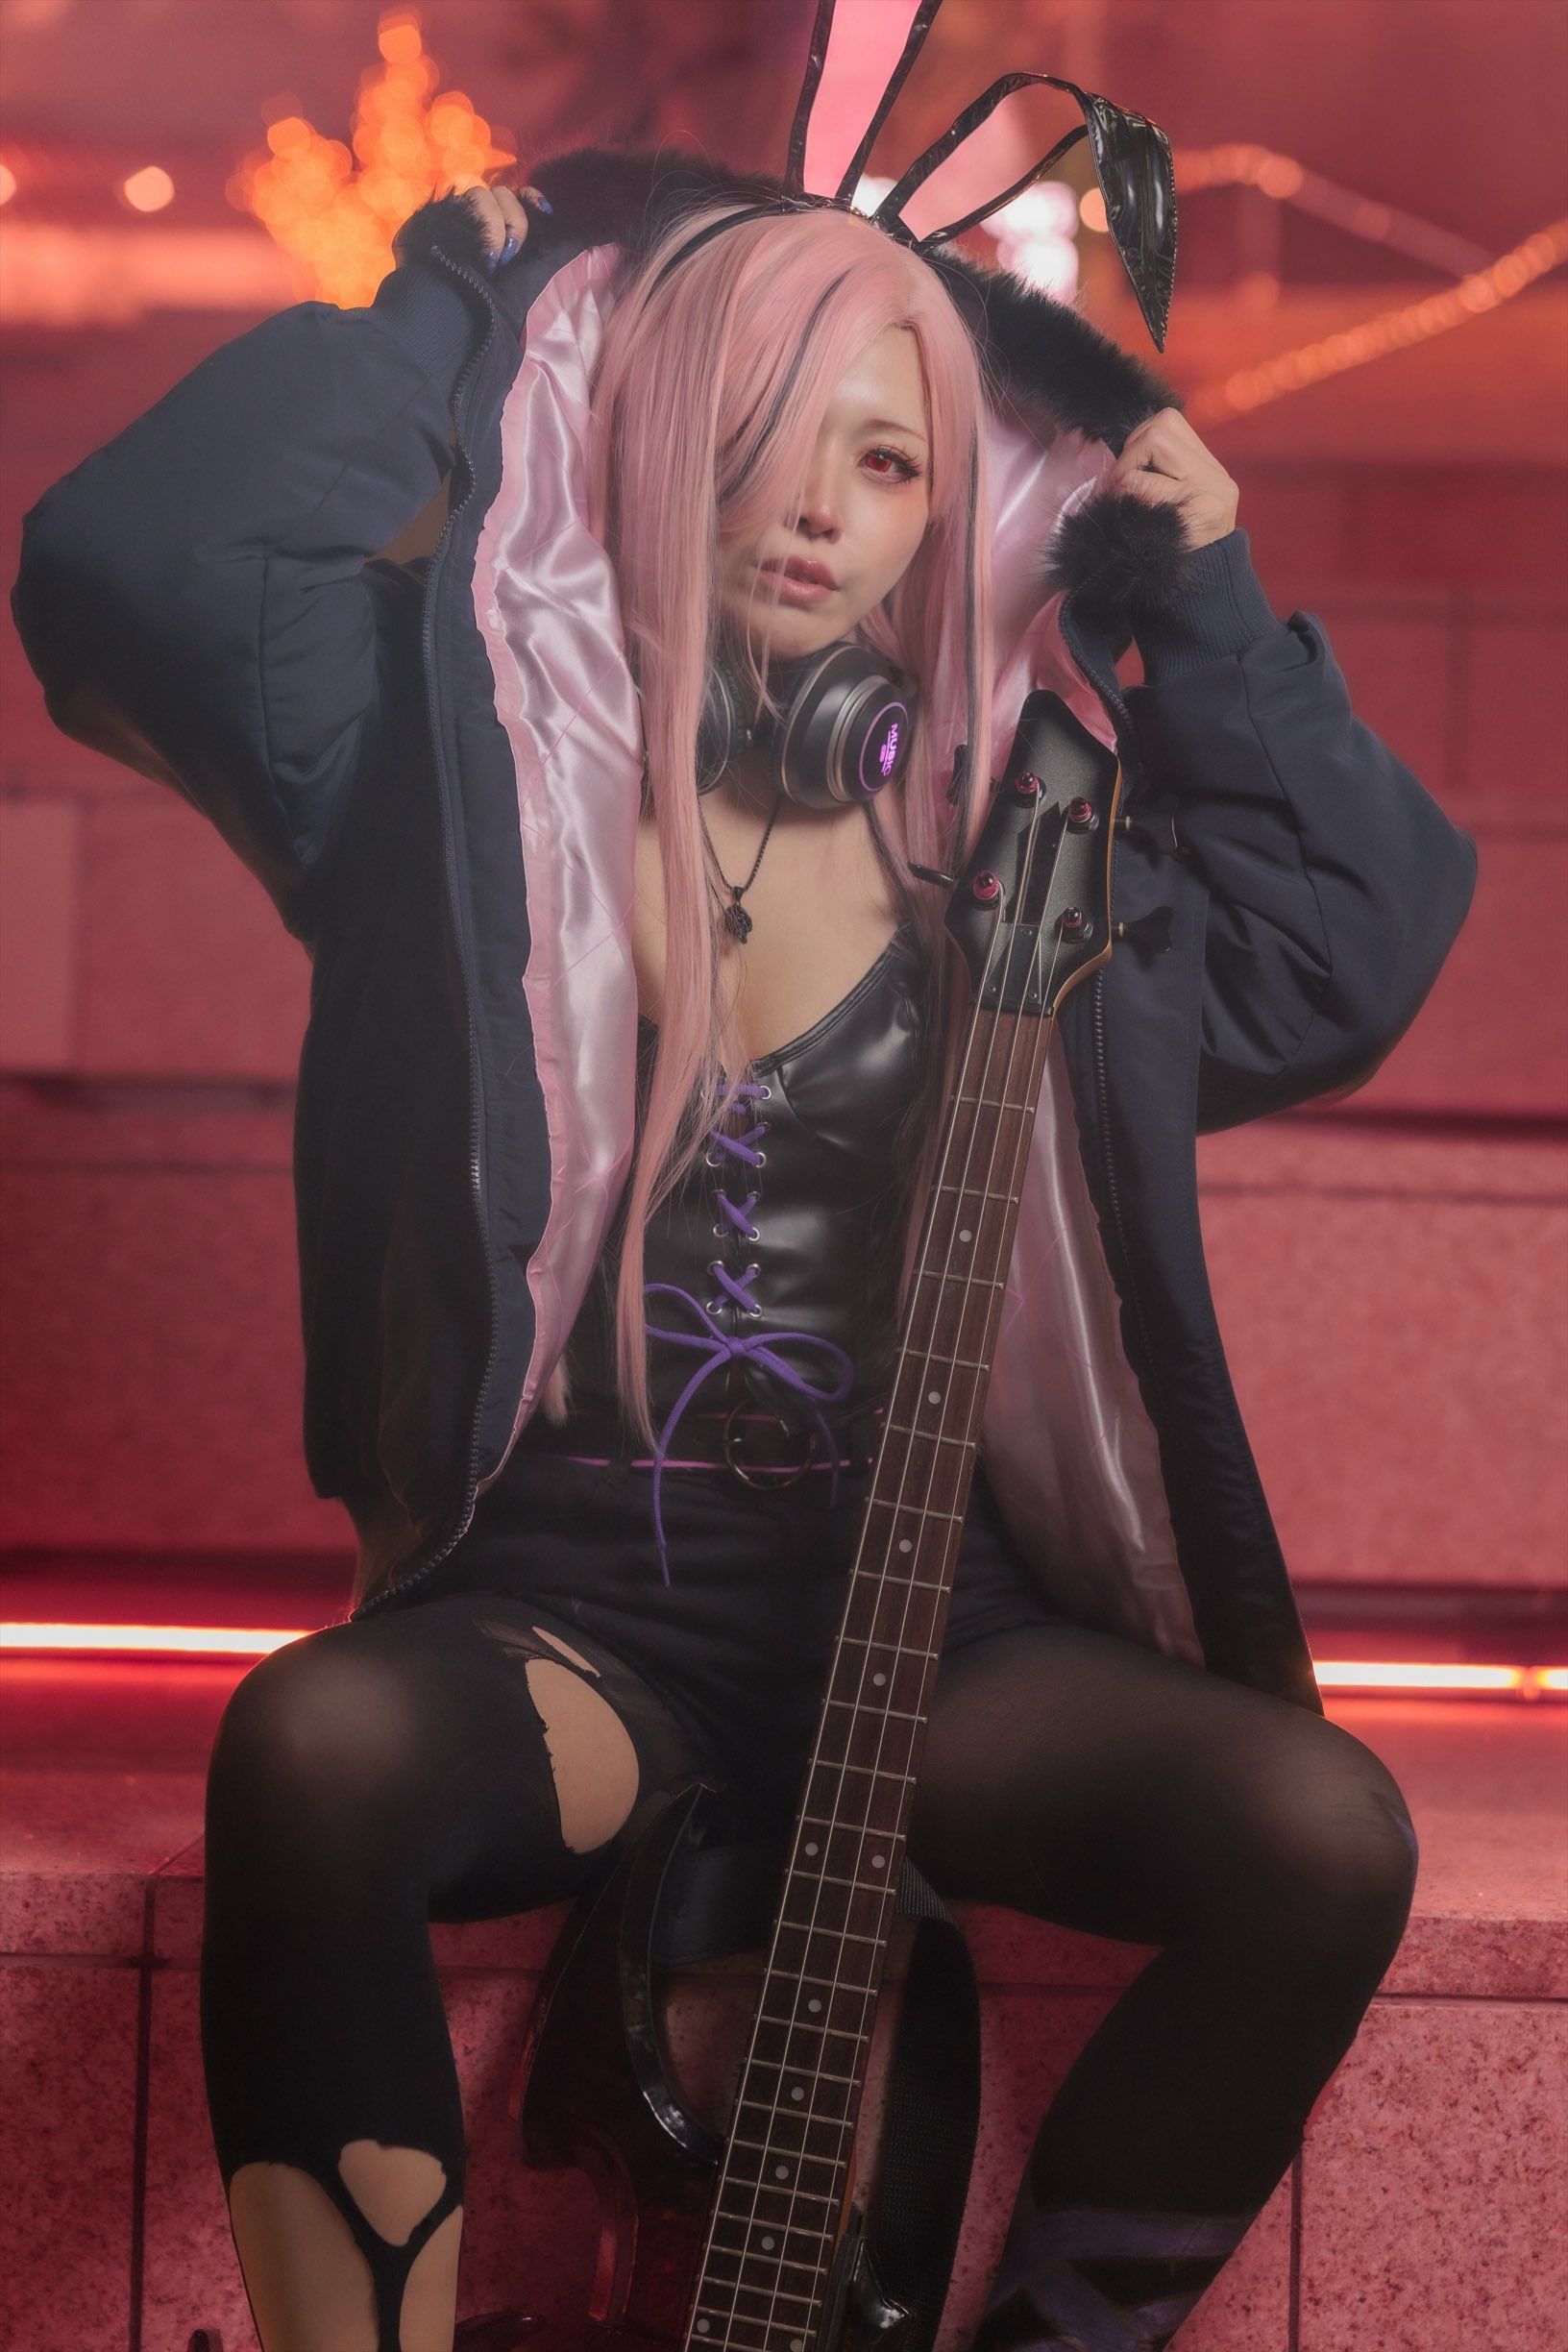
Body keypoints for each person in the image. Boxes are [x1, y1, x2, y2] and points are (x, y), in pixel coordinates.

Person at [12, 148, 1476, 2352]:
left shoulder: (1014, 848)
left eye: (887, 464)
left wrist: (1204, 604)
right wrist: (460, 308)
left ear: (943, 518)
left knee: (1323, 1836)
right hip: (577, 1635)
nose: (815, 512)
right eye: (761, 433)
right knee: (309, 1752)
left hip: (939, 1648)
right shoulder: (457, 780)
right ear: (641, 424)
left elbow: (1349, 944)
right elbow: (133, 564)